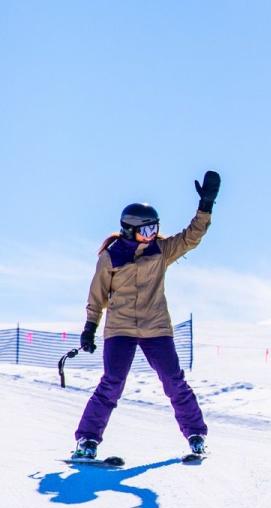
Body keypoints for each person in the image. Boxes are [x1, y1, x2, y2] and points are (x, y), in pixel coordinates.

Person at [72, 171, 221, 460]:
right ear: (130, 230)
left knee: (173, 380)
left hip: (156, 328)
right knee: (112, 382)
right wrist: (90, 328)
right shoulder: (111, 257)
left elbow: (191, 237)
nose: (152, 236)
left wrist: (206, 207)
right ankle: (87, 440)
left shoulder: (160, 251)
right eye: (147, 231)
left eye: (155, 230)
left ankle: (195, 434)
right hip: (121, 328)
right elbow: (97, 295)